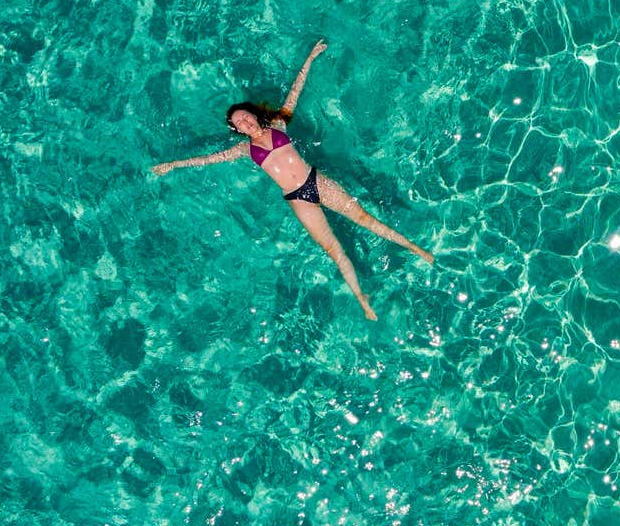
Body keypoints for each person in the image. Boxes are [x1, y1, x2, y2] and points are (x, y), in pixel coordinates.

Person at [153, 40, 433, 320]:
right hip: (299, 200)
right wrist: (172, 164)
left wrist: (310, 57)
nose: (245, 123)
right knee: (333, 249)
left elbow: (294, 93)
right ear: (237, 129)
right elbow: (206, 159)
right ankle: (362, 299)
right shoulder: (243, 150)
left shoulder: (278, 124)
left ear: (253, 114)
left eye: (246, 117)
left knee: (365, 219)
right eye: (239, 123)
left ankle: (416, 249)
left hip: (317, 181)